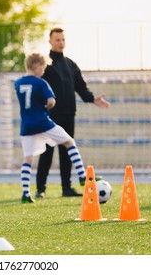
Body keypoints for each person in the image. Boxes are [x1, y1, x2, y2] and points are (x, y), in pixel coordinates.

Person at [36, 27, 110, 198]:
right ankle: (41, 189)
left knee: (67, 152)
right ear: (50, 41)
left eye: (63, 39)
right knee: (46, 152)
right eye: (57, 40)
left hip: (69, 114)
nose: (61, 43)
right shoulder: (45, 65)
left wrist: (92, 98)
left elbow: (81, 87)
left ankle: (66, 188)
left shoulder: (70, 64)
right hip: (49, 116)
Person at [14, 53, 94, 203]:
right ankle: (83, 176)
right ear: (37, 66)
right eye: (43, 68)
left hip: (26, 126)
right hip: (43, 122)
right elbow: (51, 101)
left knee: (28, 158)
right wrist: (48, 104)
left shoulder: (18, 83)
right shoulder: (41, 83)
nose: (43, 72)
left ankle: (25, 193)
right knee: (69, 141)